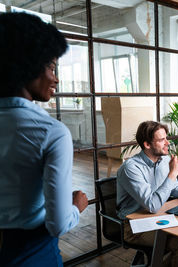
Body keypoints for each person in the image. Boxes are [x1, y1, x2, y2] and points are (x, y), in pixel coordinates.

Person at [0, 12, 88, 266]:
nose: (56, 78)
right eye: (51, 67)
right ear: (27, 66)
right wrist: (76, 206)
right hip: (32, 252)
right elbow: (58, 224)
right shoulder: (51, 131)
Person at [116, 120, 178, 266]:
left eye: (166, 138)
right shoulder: (131, 168)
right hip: (134, 225)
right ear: (147, 144)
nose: (168, 143)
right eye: (161, 140)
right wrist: (173, 173)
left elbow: (173, 187)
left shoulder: (164, 160)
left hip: (159, 216)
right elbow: (152, 206)